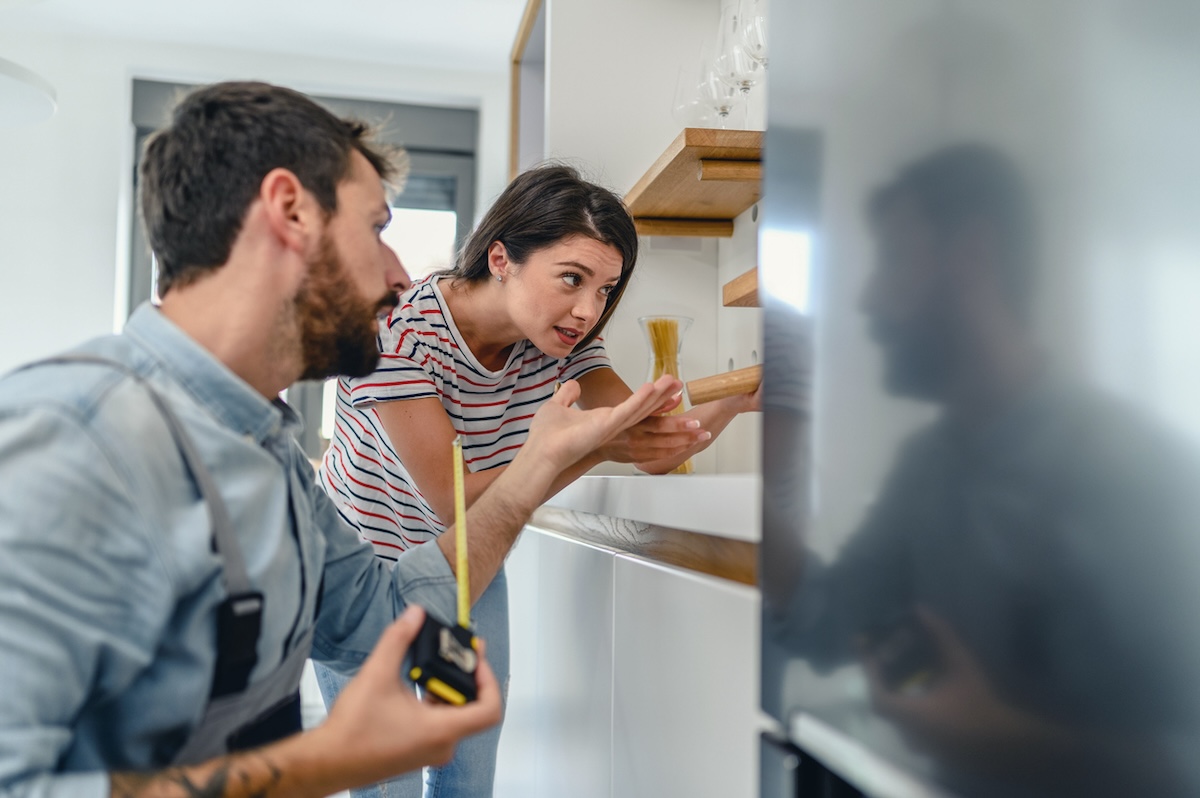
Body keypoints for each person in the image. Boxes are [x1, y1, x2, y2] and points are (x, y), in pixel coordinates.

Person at [0, 81, 684, 798]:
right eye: (378, 229)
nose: (398, 276)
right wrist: (317, 768)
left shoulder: (277, 467)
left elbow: (385, 615)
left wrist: (543, 462)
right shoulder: (69, 438)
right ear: (289, 212)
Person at [314, 164, 761, 796]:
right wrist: (589, 446)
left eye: (606, 289)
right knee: (383, 781)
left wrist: (735, 399)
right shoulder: (400, 332)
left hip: (470, 570)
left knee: (466, 772)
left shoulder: (564, 339)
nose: (588, 310)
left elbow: (651, 443)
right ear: (501, 258)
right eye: (572, 279)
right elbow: (453, 502)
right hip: (365, 572)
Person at [769, 144, 1200, 796]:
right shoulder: (929, 468)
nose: (868, 298)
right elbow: (835, 621)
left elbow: (1182, 759)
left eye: (894, 260)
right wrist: (734, 493)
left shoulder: (1135, 474)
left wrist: (1000, 738)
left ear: (971, 258)